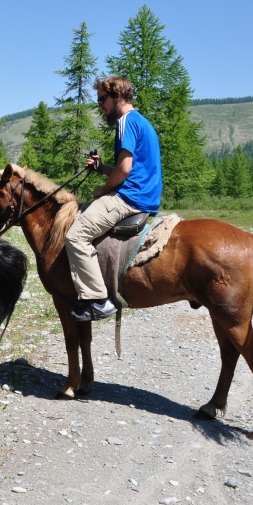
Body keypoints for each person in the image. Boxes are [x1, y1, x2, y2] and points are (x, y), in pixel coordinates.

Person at [65, 76, 163, 322]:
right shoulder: (143, 123)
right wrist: (102, 168)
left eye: (102, 99)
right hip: (145, 196)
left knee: (75, 236)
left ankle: (98, 299)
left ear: (117, 96)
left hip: (129, 197)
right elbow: (129, 167)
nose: (100, 106)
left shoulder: (125, 122)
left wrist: (102, 189)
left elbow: (126, 169)